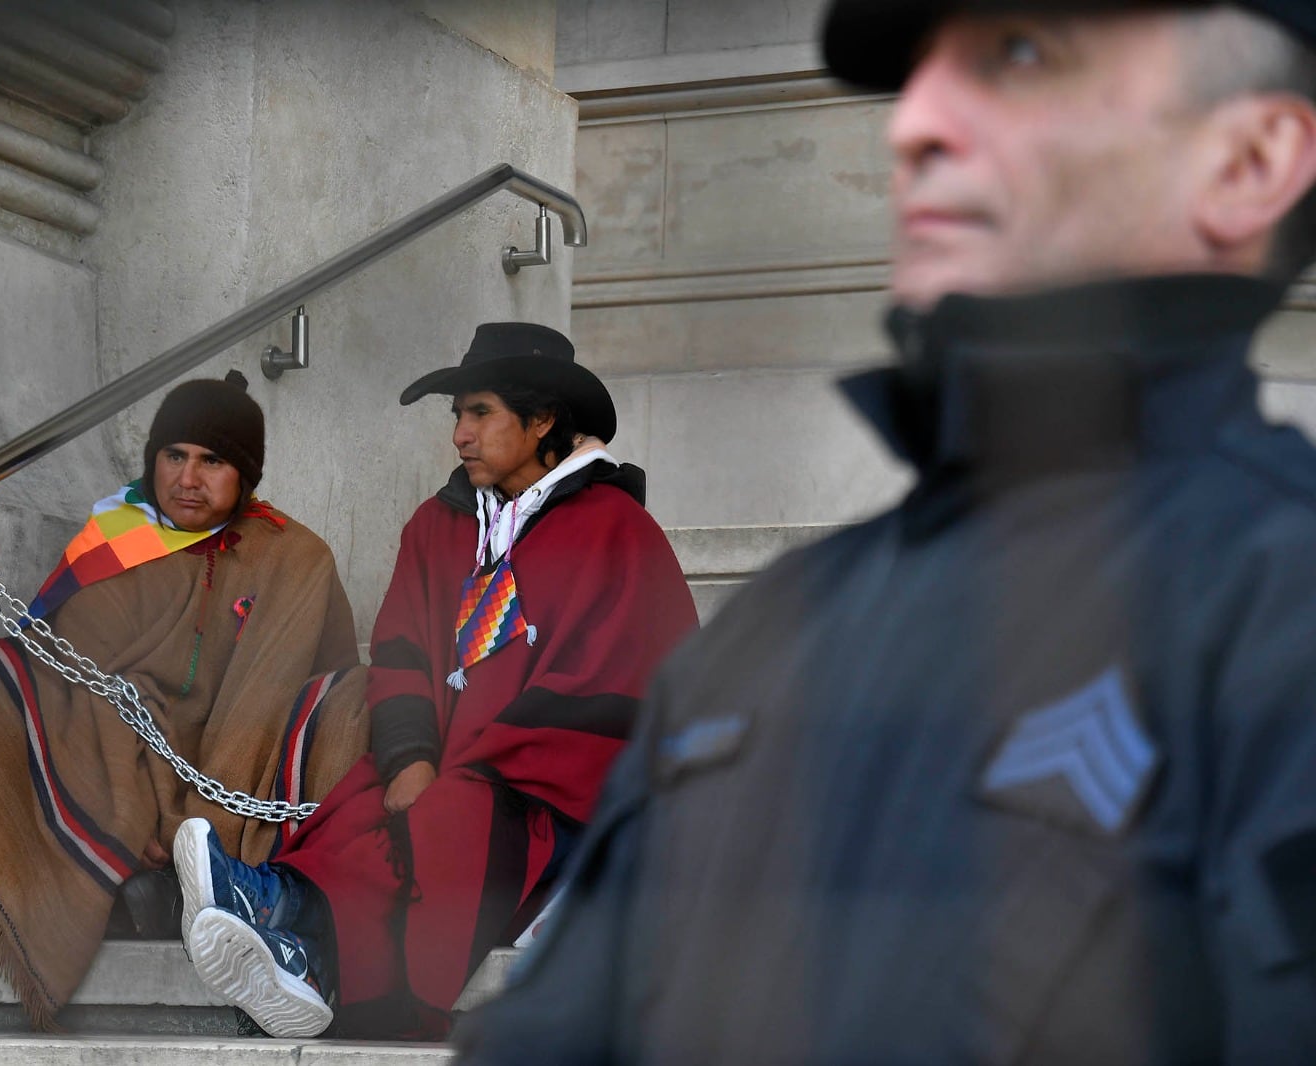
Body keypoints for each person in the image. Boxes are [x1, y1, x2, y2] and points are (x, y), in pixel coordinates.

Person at [454, 3, 1316, 1063]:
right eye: (919, 71)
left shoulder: (1282, 613)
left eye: (1021, 53)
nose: (914, 124)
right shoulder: (771, 630)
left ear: (1250, 161)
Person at [170, 322, 699, 1039]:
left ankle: (291, 927)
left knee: (451, 819)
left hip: (556, 798)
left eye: (480, 412)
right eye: (457, 415)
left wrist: (470, 770)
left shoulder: (618, 531)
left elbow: (626, 685)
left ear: (542, 419)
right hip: (452, 773)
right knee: (364, 797)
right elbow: (401, 655)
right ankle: (292, 933)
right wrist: (412, 755)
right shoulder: (437, 527)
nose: (459, 435)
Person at [0, 370, 369, 1029]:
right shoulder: (120, 539)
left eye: (212, 462)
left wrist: (194, 819)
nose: (188, 478)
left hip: (247, 759)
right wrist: (146, 796)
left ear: (245, 475)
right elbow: (76, 666)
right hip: (127, 757)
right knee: (1, 676)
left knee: (349, 704)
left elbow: (293, 688)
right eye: (174, 456)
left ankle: (209, 875)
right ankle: (111, 878)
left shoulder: (293, 556)